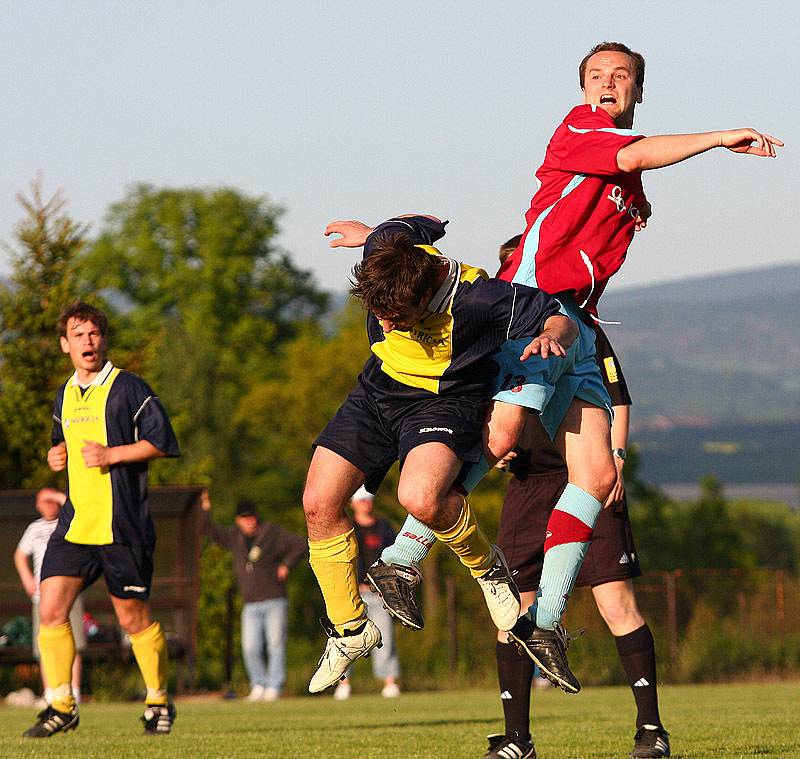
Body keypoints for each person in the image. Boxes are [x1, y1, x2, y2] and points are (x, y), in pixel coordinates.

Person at [365, 40, 782, 711]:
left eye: (622, 76)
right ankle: (399, 560)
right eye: (597, 75)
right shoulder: (579, 129)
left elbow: (629, 181)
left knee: (596, 476)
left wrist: (639, 206)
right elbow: (633, 154)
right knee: (501, 433)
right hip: (532, 307)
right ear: (583, 90)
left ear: (639, 91)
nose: (608, 83)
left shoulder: (628, 182)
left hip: (579, 325)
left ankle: (543, 621)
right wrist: (719, 137)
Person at [305, 213, 584, 694]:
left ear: (426, 292)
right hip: (377, 392)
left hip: (446, 400)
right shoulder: (390, 251)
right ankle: (351, 631)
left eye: (399, 318)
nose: (388, 325)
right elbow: (425, 223)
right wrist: (368, 236)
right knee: (318, 504)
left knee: (423, 499)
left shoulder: (481, 299)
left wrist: (551, 337)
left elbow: (560, 316)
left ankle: (488, 569)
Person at [487, 238, 666, 759]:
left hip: (584, 478)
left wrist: (615, 463)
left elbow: (618, 398)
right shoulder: (495, 331)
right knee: (510, 611)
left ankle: (651, 732)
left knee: (614, 602)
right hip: (528, 482)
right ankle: (517, 741)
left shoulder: (574, 323)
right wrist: (491, 447)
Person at [23, 301, 180, 739]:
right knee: (51, 609)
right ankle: (61, 705)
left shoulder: (128, 388)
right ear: (65, 345)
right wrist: (57, 455)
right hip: (74, 526)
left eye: (93, 333)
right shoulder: (64, 394)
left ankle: (158, 701)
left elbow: (161, 441)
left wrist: (114, 454)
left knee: (133, 620)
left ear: (103, 340)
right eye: (78, 335)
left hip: (122, 525)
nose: (87, 342)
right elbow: (62, 445)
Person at [200, 490, 306, 702]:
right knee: (250, 647)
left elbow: (301, 543)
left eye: (251, 517)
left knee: (275, 645)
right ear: (237, 520)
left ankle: (274, 686)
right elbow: (210, 532)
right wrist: (205, 509)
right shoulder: (234, 536)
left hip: (274, 598)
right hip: (250, 603)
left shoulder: (272, 533)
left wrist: (287, 565)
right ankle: (258, 684)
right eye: (244, 518)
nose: (249, 522)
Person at [14, 488, 86, 706]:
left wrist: (56, 496)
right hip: (42, 596)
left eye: (50, 501)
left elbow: (80, 510)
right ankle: (51, 692)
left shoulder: (67, 522)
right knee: (46, 645)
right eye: (42, 502)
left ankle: (74, 691)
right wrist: (27, 579)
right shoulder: (34, 528)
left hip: (69, 591)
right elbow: (19, 555)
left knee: (75, 644)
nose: (47, 505)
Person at [333, 486, 401, 700]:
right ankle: (343, 683)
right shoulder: (347, 529)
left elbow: (395, 556)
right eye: (361, 500)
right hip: (352, 593)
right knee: (347, 638)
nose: (365, 504)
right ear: (353, 504)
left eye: (368, 500)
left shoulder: (384, 528)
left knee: (385, 638)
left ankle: (389, 682)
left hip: (379, 592)